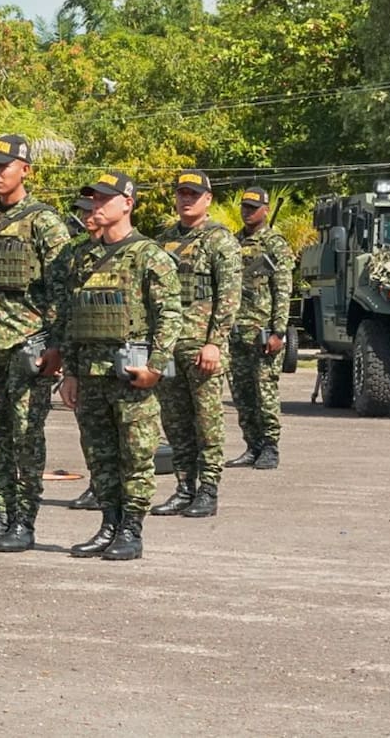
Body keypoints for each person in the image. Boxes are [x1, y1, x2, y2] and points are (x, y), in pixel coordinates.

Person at [58, 171, 182, 560]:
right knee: (99, 456)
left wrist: (156, 367)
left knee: (135, 456)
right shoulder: (82, 256)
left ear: (127, 203)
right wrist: (71, 372)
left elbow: (170, 316)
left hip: (131, 374)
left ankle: (131, 530)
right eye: (92, 199)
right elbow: (71, 317)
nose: (96, 205)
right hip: (91, 375)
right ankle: (108, 524)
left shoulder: (149, 256)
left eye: (104, 199)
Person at [0, 134, 71, 552]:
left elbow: (62, 290)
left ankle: (24, 522)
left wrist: (57, 346)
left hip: (28, 348)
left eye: (3, 166)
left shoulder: (44, 222)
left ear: (25, 169)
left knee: (26, 436)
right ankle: (1, 517)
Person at [152, 170, 242, 518]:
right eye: (182, 193)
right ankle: (184, 486)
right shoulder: (163, 241)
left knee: (207, 421)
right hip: (170, 347)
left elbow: (230, 295)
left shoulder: (219, 240)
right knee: (175, 422)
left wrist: (215, 342)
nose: (186, 199)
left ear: (208, 199)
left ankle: (208, 489)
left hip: (201, 346)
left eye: (194, 194)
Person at [227, 187, 294, 470]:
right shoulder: (233, 242)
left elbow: (283, 289)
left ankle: (270, 447)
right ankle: (252, 446)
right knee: (242, 395)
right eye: (245, 206)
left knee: (264, 391)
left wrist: (279, 331)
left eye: (253, 207)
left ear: (265, 210)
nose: (247, 211)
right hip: (235, 331)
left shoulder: (274, 244)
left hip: (262, 332)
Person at [62, 188, 106, 512]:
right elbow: (66, 308)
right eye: (84, 210)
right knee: (89, 428)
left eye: (93, 208)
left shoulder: (131, 249)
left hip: (120, 358)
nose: (89, 215)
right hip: (84, 354)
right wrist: (69, 364)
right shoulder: (74, 253)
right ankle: (97, 483)